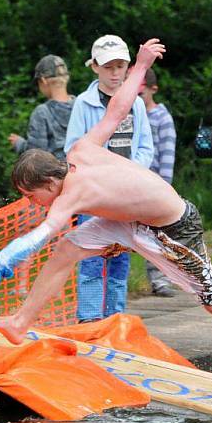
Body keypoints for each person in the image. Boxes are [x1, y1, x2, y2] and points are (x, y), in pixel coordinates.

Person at [0, 38, 212, 412]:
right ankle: (19, 322)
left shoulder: (70, 196)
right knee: (68, 248)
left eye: (32, 197)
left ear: (48, 184)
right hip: (126, 222)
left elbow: (37, 238)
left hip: (172, 229)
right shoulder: (79, 150)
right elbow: (118, 109)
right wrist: (140, 66)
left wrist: (0, 264)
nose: (33, 204)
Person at [64, 34, 154, 323]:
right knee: (91, 255)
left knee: (119, 257)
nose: (115, 73)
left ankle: (115, 318)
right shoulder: (84, 103)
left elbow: (145, 147)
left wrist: (130, 174)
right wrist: (103, 173)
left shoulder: (136, 104)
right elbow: (72, 148)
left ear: (128, 67)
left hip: (126, 195)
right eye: (108, 67)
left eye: (120, 66)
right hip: (94, 195)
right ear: (95, 67)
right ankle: (89, 319)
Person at [139, 67, 177, 297]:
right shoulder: (128, 115)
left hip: (155, 187)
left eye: (141, 94)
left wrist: (165, 188)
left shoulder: (162, 118)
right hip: (130, 187)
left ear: (153, 90)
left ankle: (161, 279)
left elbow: (167, 155)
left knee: (158, 235)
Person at [8, 54, 75, 161]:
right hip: (82, 172)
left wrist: (19, 144)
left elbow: (36, 155)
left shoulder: (41, 112)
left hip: (56, 174)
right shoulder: (82, 105)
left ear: (43, 81)